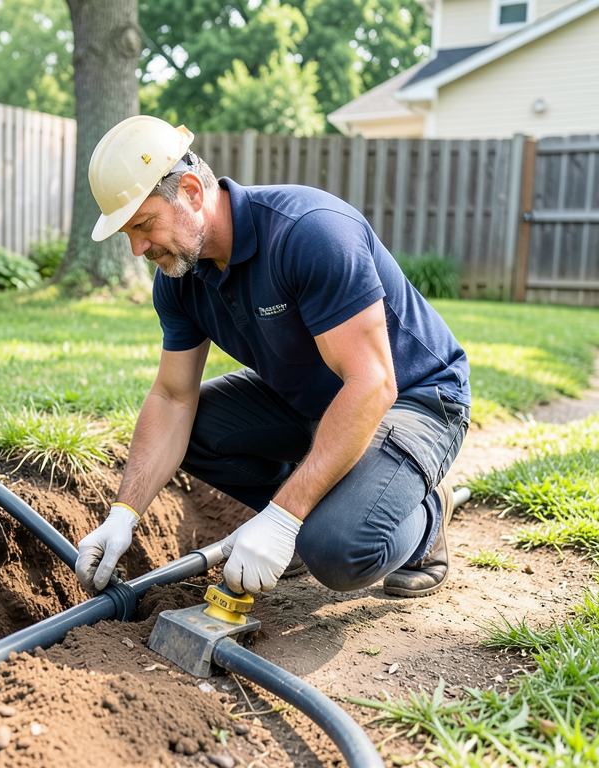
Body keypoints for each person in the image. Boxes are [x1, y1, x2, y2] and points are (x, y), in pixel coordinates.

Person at [75, 116, 470, 600]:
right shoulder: (180, 279)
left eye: (144, 225)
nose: (138, 248)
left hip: (413, 397)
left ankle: (425, 513)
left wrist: (283, 518)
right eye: (127, 234)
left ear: (193, 193)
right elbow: (173, 397)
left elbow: (372, 384)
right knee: (196, 428)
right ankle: (313, 508)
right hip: (313, 401)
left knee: (338, 549)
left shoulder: (309, 232)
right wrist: (123, 513)